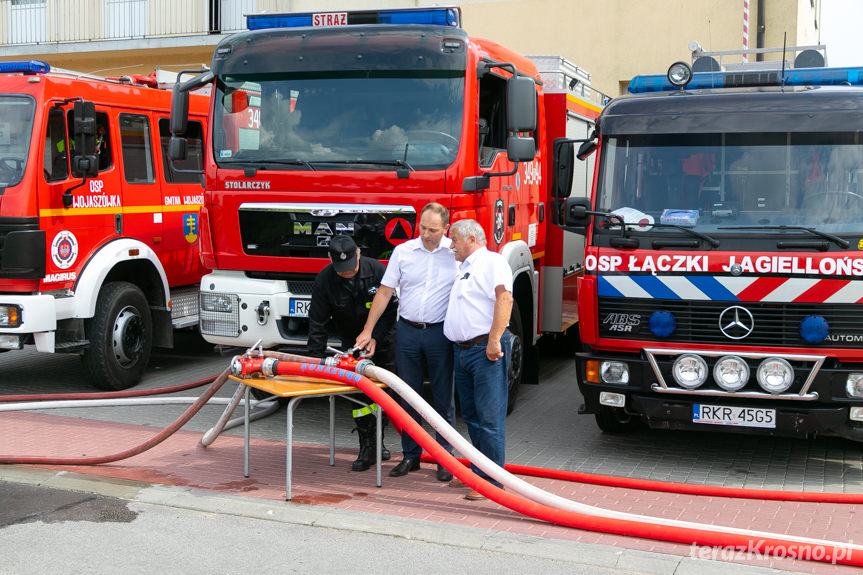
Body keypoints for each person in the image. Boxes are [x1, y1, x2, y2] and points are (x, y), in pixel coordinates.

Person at [355, 202, 458, 482]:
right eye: (423, 227)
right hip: (408, 332)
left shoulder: (455, 254)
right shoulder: (403, 252)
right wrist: (369, 330)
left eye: (433, 230)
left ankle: (444, 458)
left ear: (445, 229)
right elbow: (385, 292)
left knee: (442, 398)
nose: (426, 234)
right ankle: (410, 456)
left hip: (440, 333)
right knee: (407, 395)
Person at [307, 234, 398, 472]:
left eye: (350, 268)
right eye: (341, 269)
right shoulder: (325, 280)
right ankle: (367, 446)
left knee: (386, 395)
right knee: (360, 398)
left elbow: (390, 311)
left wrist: (375, 336)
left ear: (358, 253)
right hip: (352, 345)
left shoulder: (377, 271)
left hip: (383, 341)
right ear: (330, 258)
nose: (346, 272)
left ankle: (379, 442)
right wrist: (315, 361)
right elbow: (317, 322)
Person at [443, 219, 513, 501]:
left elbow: (504, 299)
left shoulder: (492, 263)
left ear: (471, 239)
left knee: (489, 418)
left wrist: (495, 339)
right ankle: (478, 471)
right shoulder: (464, 269)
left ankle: (493, 481)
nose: (451, 246)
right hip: (463, 351)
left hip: (485, 349)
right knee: (471, 416)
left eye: (455, 240)